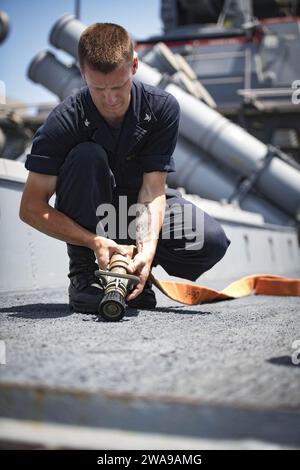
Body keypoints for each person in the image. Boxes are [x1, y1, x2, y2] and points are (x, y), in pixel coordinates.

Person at [20, 23, 230, 313]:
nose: (110, 99)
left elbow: (153, 188)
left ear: (134, 66)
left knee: (209, 241)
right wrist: (92, 241)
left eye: (118, 86)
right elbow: (31, 207)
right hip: (91, 218)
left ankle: (133, 274)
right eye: (98, 89)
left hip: (136, 209)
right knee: (86, 156)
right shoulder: (62, 122)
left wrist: (146, 251)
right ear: (82, 74)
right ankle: (83, 277)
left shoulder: (161, 108)